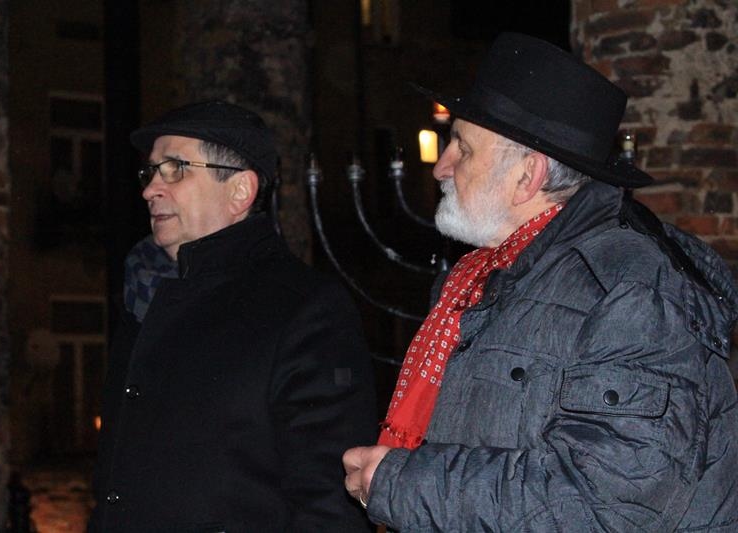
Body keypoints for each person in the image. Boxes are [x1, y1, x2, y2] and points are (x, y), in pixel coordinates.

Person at [343, 32, 738, 532]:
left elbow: (608, 504)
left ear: (527, 175)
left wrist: (404, 485)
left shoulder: (632, 290)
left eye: (463, 147)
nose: (442, 166)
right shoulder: (478, 279)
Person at [89, 100, 377, 532]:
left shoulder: (302, 308)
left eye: (175, 168)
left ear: (240, 191)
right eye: (150, 172)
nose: (150, 189)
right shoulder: (144, 297)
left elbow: (329, 503)